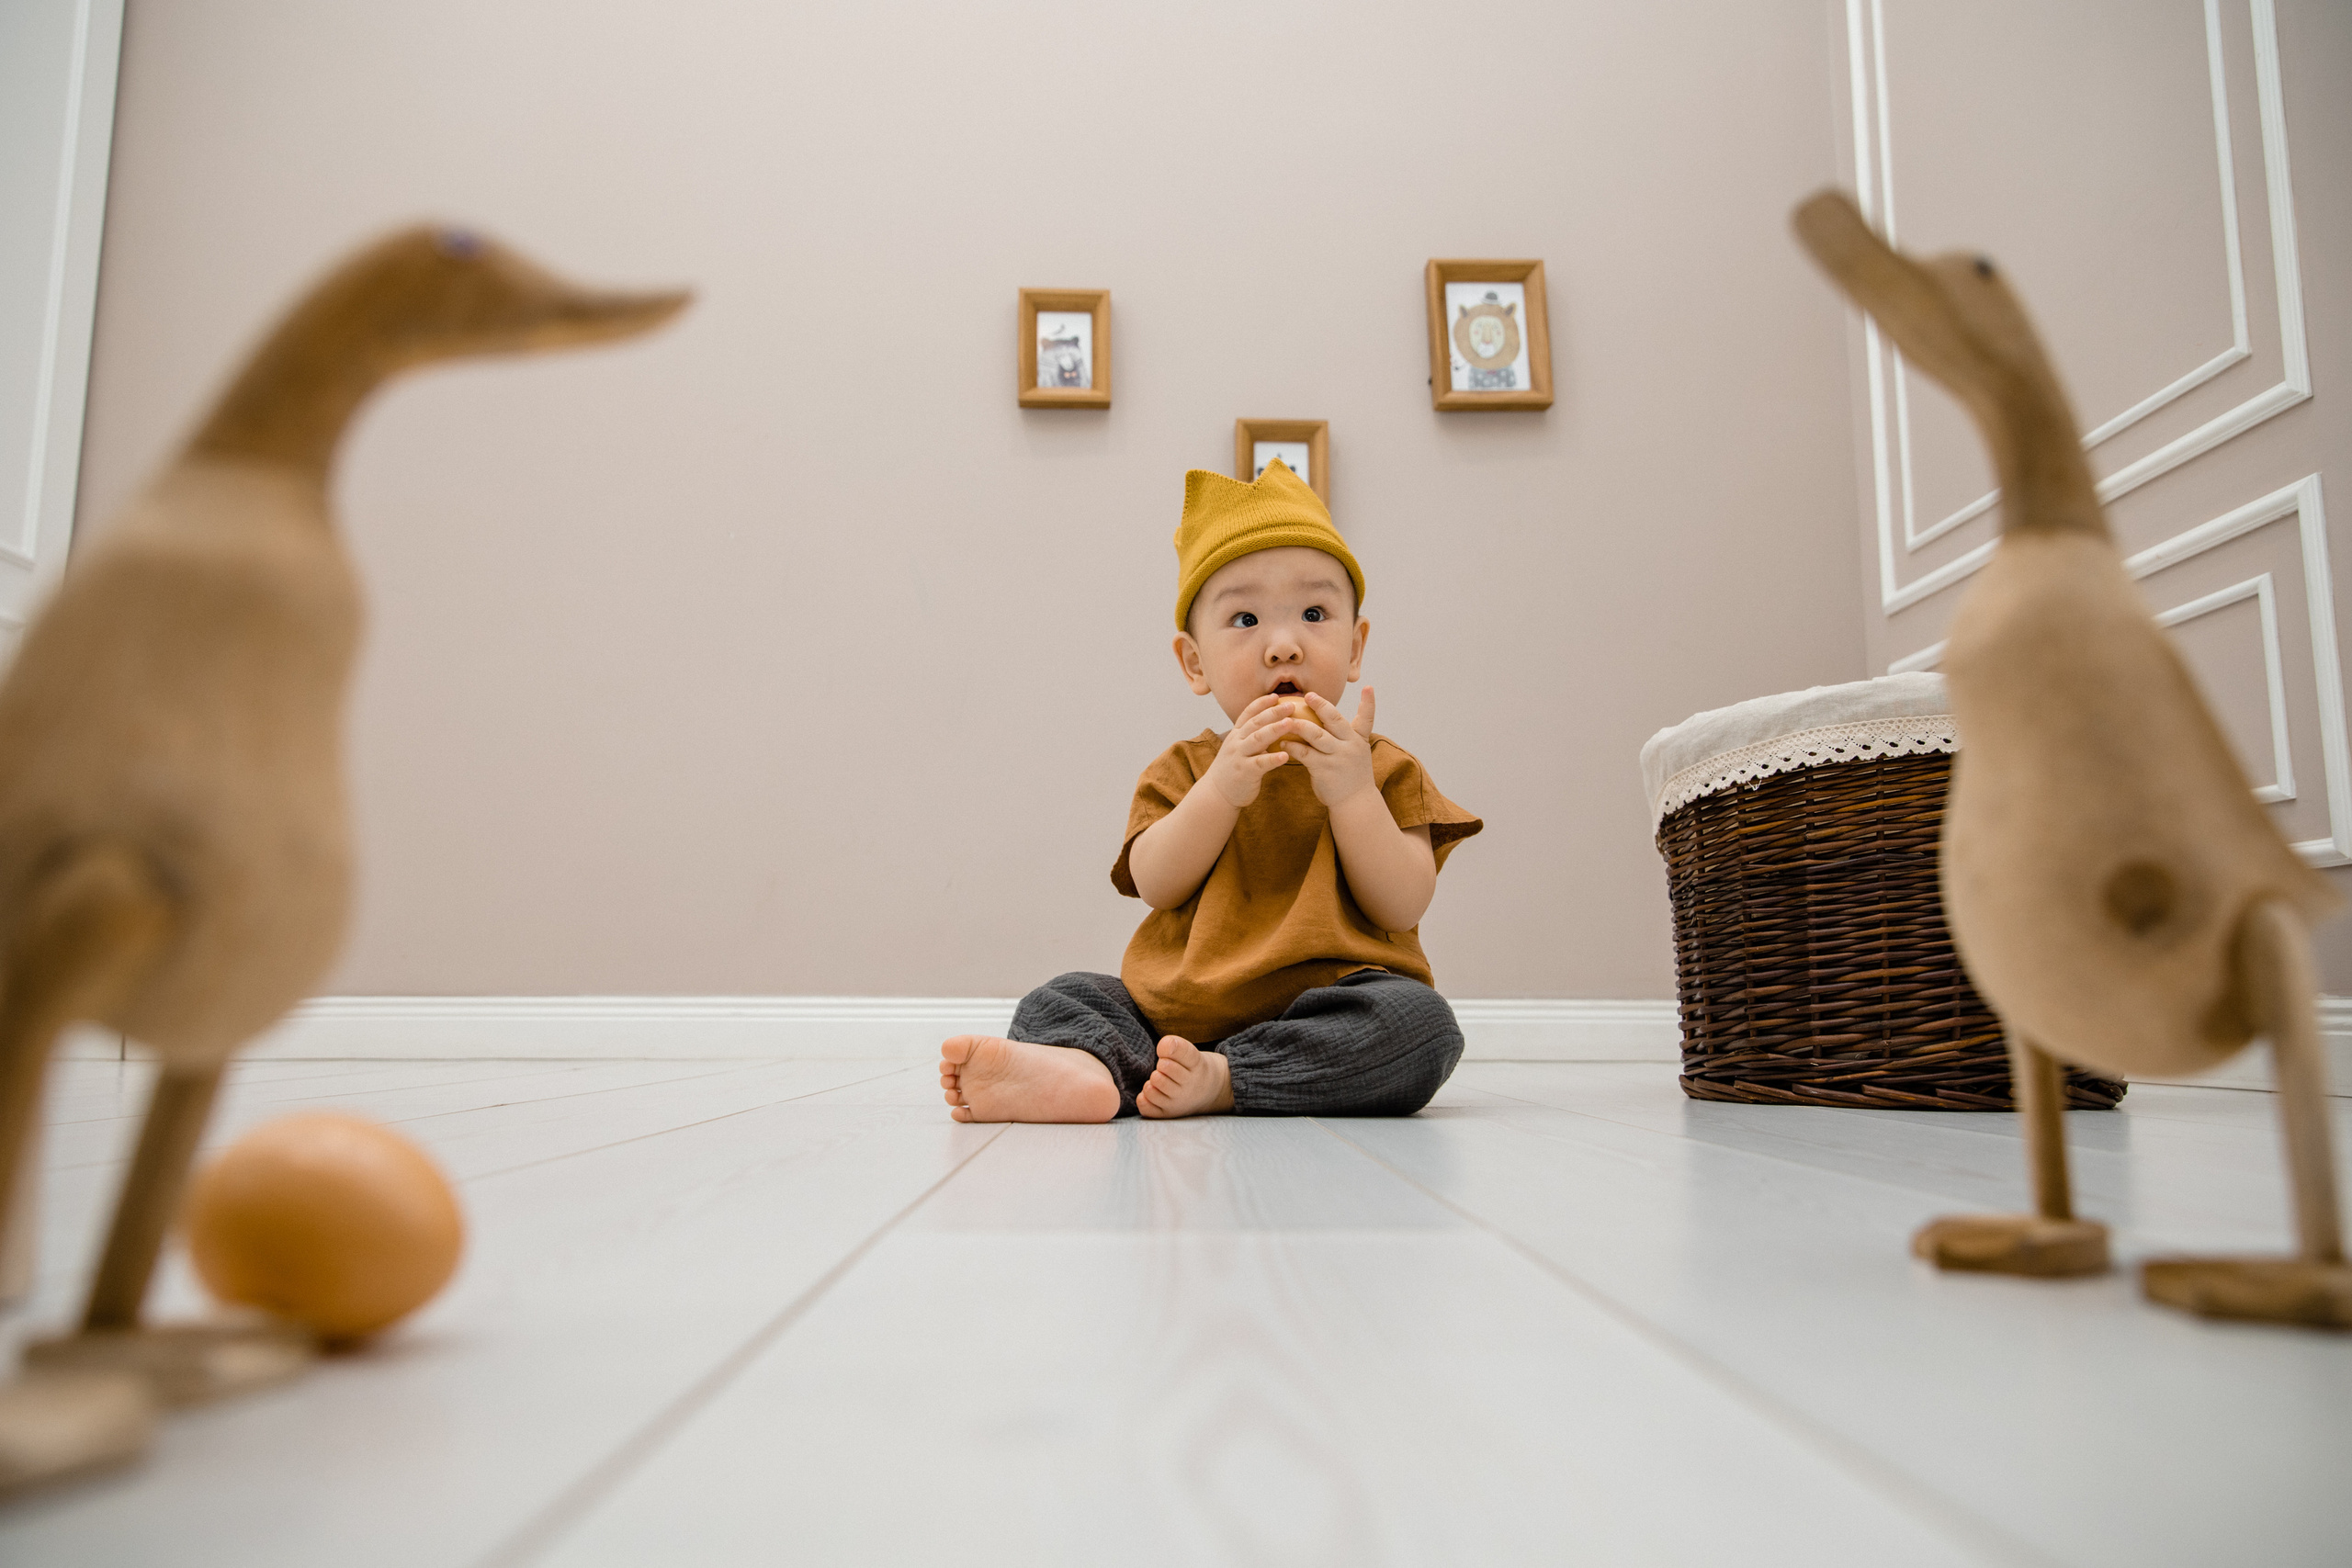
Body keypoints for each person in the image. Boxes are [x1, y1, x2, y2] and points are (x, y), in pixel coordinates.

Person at [939, 460, 1481, 1122]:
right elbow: (1157, 883)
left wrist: (1352, 795)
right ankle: (1089, 1070)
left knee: (1422, 1026)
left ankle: (1224, 1077)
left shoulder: (1384, 769)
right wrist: (1221, 790)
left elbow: (1401, 903)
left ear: (1355, 647)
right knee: (1063, 998)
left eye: (1314, 613)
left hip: (1333, 1008)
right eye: (1245, 618)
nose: (1283, 646)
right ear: (1195, 663)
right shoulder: (1185, 769)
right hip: (1177, 1017)